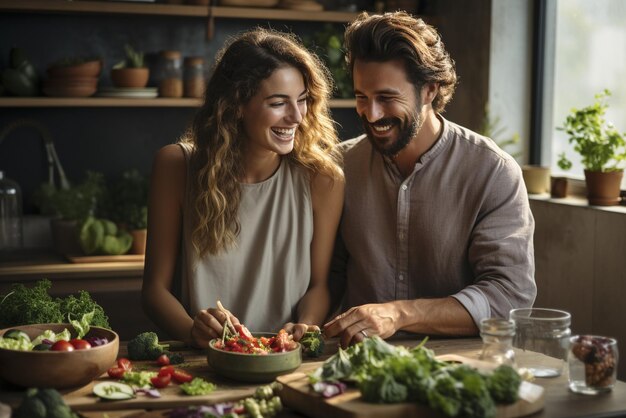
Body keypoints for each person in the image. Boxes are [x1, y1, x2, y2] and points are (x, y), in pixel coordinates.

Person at [324, 12, 536, 348]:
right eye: (362, 97)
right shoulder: (339, 166)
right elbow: (326, 277)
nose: (371, 114)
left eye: (386, 98)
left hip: (458, 368)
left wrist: (400, 314)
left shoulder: (492, 171)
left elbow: (509, 296)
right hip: (357, 364)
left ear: (429, 90)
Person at [142, 28, 344, 349]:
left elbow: (319, 286)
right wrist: (192, 331)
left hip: (284, 356)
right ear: (236, 105)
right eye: (279, 103)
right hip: (202, 358)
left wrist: (305, 325)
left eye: (302, 100)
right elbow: (154, 291)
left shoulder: (322, 178)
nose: (296, 116)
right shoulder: (176, 166)